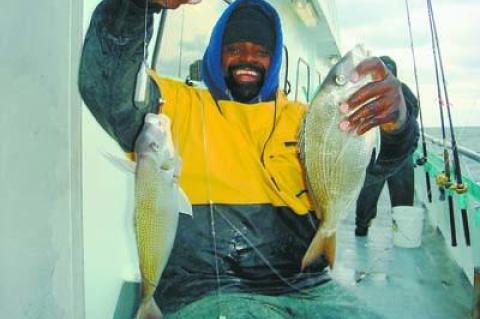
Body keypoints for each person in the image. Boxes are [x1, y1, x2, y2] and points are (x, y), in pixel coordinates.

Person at [79, 0, 418, 317]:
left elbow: (374, 168)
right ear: (215, 53)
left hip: (310, 288)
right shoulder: (173, 106)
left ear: (276, 59)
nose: (247, 59)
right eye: (235, 49)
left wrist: (397, 123)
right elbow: (106, 87)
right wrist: (136, 4)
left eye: (261, 51)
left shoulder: (311, 119)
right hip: (203, 290)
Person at [354, 56, 420, 237]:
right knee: (368, 194)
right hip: (376, 154)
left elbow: (412, 119)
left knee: (402, 199)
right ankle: (362, 226)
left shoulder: (402, 91)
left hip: (398, 156)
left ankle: (401, 231)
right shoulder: (372, 91)